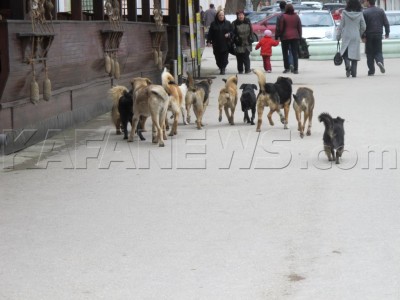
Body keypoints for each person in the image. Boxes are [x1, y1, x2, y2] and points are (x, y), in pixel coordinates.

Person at [336, 0, 366, 78]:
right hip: (355, 35)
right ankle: (354, 72)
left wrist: (338, 35)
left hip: (346, 35)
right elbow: (364, 26)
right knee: (354, 54)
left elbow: (341, 26)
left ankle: (347, 64)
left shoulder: (344, 13)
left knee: (346, 53)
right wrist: (359, 33)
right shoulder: (360, 14)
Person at [362, 0, 390, 76]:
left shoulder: (365, 12)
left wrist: (363, 36)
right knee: (378, 51)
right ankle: (379, 61)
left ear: (368, 2)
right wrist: (387, 33)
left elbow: (363, 26)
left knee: (369, 53)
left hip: (369, 35)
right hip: (378, 34)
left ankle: (371, 71)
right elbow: (386, 23)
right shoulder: (381, 11)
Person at [206, 10, 233, 75]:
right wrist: (208, 41)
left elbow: (232, 32)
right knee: (218, 58)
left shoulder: (228, 23)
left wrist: (229, 34)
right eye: (220, 15)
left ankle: (223, 68)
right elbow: (210, 33)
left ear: (224, 16)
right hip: (216, 44)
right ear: (217, 16)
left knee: (224, 58)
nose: (221, 16)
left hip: (225, 43)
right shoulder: (213, 24)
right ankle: (220, 66)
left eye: (222, 15)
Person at [278, 4, 302, 74]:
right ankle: (296, 69)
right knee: (295, 53)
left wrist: (279, 35)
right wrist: (299, 36)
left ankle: (286, 68)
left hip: (285, 37)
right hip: (295, 36)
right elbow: (299, 27)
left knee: (285, 53)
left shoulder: (283, 16)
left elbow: (281, 28)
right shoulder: (297, 16)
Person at [232, 10, 254, 74]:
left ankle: (247, 69)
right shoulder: (234, 23)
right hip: (239, 42)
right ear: (237, 16)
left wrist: (251, 37)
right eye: (239, 15)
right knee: (239, 57)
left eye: (242, 15)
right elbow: (232, 33)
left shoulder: (248, 21)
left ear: (244, 15)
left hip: (247, 41)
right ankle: (240, 70)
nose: (241, 16)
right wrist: (235, 39)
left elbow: (251, 30)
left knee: (246, 56)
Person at [275, 1, 294, 72]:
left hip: (284, 36)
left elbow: (278, 27)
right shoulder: (293, 15)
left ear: (280, 7)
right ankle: (292, 63)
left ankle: (287, 67)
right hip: (293, 36)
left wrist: (277, 36)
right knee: (291, 51)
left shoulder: (280, 16)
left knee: (285, 52)